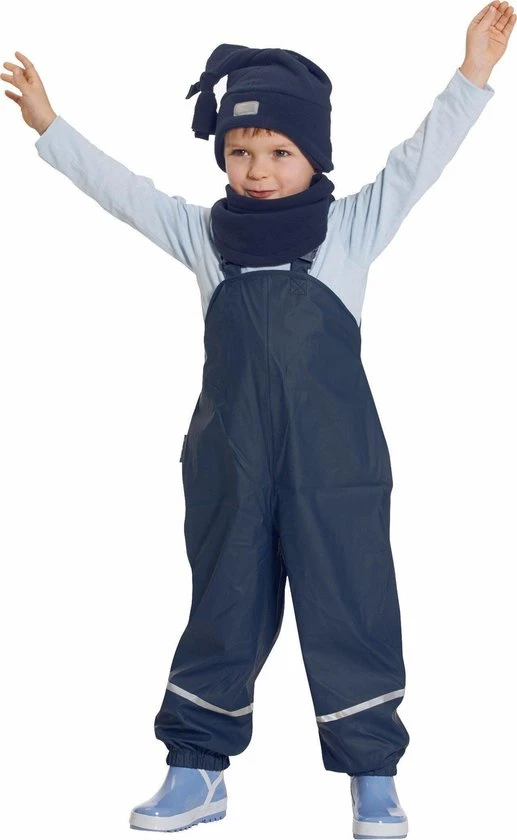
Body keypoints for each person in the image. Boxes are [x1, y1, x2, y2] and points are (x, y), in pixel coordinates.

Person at [2, 4, 514, 838]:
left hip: (333, 467)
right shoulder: (207, 237)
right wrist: (50, 126)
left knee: (350, 601)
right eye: (240, 151)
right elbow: (126, 193)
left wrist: (473, 72)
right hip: (230, 462)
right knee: (224, 601)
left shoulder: (348, 231)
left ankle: (373, 776)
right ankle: (195, 769)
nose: (258, 170)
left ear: (314, 155)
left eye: (279, 152)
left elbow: (419, 159)